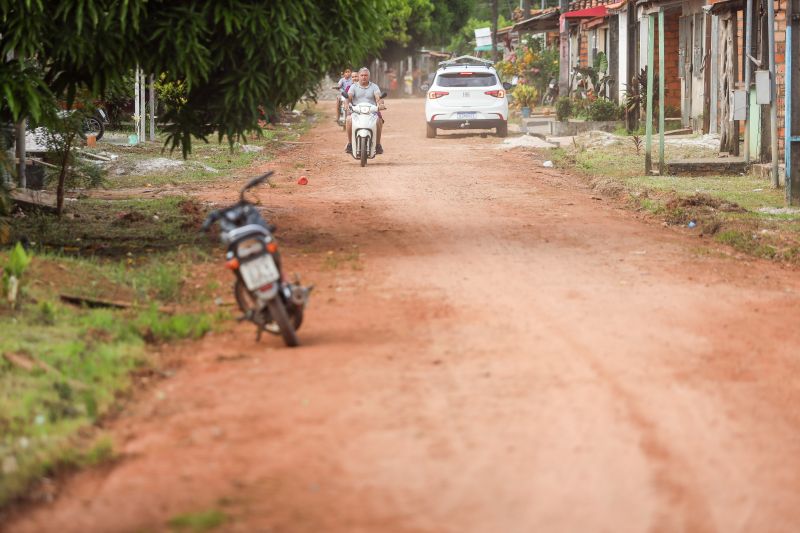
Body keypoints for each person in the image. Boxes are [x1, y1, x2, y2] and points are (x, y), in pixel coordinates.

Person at [345, 67, 385, 155]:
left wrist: (380, 103)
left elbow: (378, 97)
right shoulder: (353, 86)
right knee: (348, 119)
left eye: (366, 75)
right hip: (356, 111)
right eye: (362, 75)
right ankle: (350, 144)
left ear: (369, 76)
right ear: (358, 76)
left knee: (379, 121)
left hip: (371, 111)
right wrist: (347, 104)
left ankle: (378, 144)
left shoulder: (374, 86)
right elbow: (349, 97)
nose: (364, 77)